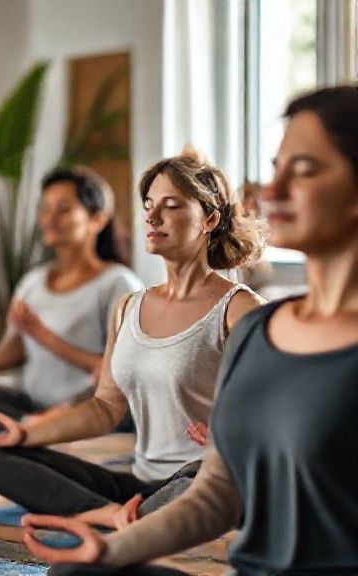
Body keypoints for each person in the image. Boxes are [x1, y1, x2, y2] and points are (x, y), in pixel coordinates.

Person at [21, 85, 358, 576]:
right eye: (276, 168)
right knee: (75, 572)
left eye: (304, 170)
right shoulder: (259, 331)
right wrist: (108, 550)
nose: (271, 191)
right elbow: (217, 495)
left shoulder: (239, 310)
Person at [0, 152, 265, 529]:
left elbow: (283, 411)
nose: (152, 217)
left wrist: (233, 435)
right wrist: (25, 432)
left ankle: (132, 518)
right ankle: (119, 516)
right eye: (149, 205)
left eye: (171, 205)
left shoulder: (240, 309)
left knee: (216, 484)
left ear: (210, 219)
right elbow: (106, 407)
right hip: (140, 483)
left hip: (201, 476)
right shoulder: (128, 307)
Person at [0, 167, 142, 422]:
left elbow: (121, 369)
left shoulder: (118, 283)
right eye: (45, 208)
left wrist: (45, 337)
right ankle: (33, 424)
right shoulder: (33, 281)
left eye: (64, 209)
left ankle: (44, 424)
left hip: (85, 403)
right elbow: (16, 349)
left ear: (97, 220)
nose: (49, 218)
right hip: (29, 402)